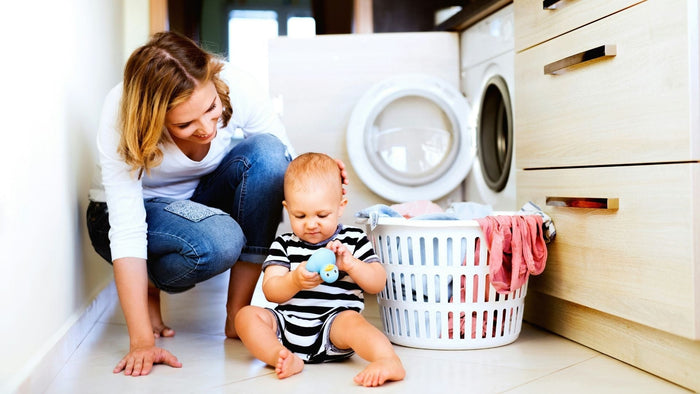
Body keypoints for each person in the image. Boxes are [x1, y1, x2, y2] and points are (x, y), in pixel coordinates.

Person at [85, 31, 328, 377]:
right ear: (154, 118)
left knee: (269, 154)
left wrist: (325, 180)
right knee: (222, 240)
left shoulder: (237, 85)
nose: (206, 129)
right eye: (184, 123)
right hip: (120, 213)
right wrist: (141, 341)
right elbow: (126, 227)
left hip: (197, 199)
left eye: (211, 108)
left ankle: (238, 316)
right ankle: (150, 286)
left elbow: (287, 167)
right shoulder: (122, 111)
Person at [235, 153, 405, 387]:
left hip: (334, 328)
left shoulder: (353, 240)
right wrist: (294, 281)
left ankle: (388, 360)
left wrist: (351, 265)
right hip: (286, 329)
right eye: (300, 215)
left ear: (340, 207)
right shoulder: (284, 244)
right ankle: (280, 356)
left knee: (353, 322)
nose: (311, 223)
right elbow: (271, 291)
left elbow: (377, 283)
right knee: (245, 316)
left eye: (322, 215)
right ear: (287, 209)